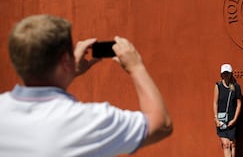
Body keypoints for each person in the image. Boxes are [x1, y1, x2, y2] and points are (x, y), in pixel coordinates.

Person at [0, 14, 173, 157]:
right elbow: (161, 125)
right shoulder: (89, 121)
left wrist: (68, 71)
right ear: (65, 59)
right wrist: (136, 67)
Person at [213, 63, 241, 157]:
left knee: (232, 144)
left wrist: (234, 120)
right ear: (221, 74)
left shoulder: (236, 87)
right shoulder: (218, 86)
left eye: (227, 73)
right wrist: (216, 118)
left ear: (231, 73)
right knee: (226, 144)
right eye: (224, 73)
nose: (226, 75)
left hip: (232, 120)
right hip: (221, 120)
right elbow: (215, 103)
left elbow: (239, 104)